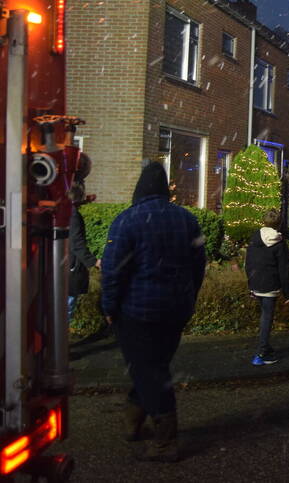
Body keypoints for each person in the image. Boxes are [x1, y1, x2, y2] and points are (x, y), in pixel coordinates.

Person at [101, 162, 207, 463]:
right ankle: (133, 419)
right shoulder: (187, 220)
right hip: (175, 310)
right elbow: (198, 265)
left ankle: (165, 440)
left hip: (138, 312)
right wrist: (190, 297)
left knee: (148, 369)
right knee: (152, 365)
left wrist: (109, 307)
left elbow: (112, 270)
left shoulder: (127, 221)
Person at [245, 209, 289, 366]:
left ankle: (266, 347)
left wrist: (251, 285)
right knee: (267, 318)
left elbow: (249, 263)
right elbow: (284, 270)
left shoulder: (254, 238)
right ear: (279, 223)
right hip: (270, 285)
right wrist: (288, 294)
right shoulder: (280, 244)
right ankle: (262, 353)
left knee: (264, 316)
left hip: (256, 283)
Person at [67, 173, 97, 322]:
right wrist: (93, 262)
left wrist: (85, 201)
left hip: (67, 267)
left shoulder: (67, 211)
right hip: (71, 268)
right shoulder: (74, 216)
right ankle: (60, 343)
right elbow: (77, 243)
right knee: (67, 309)